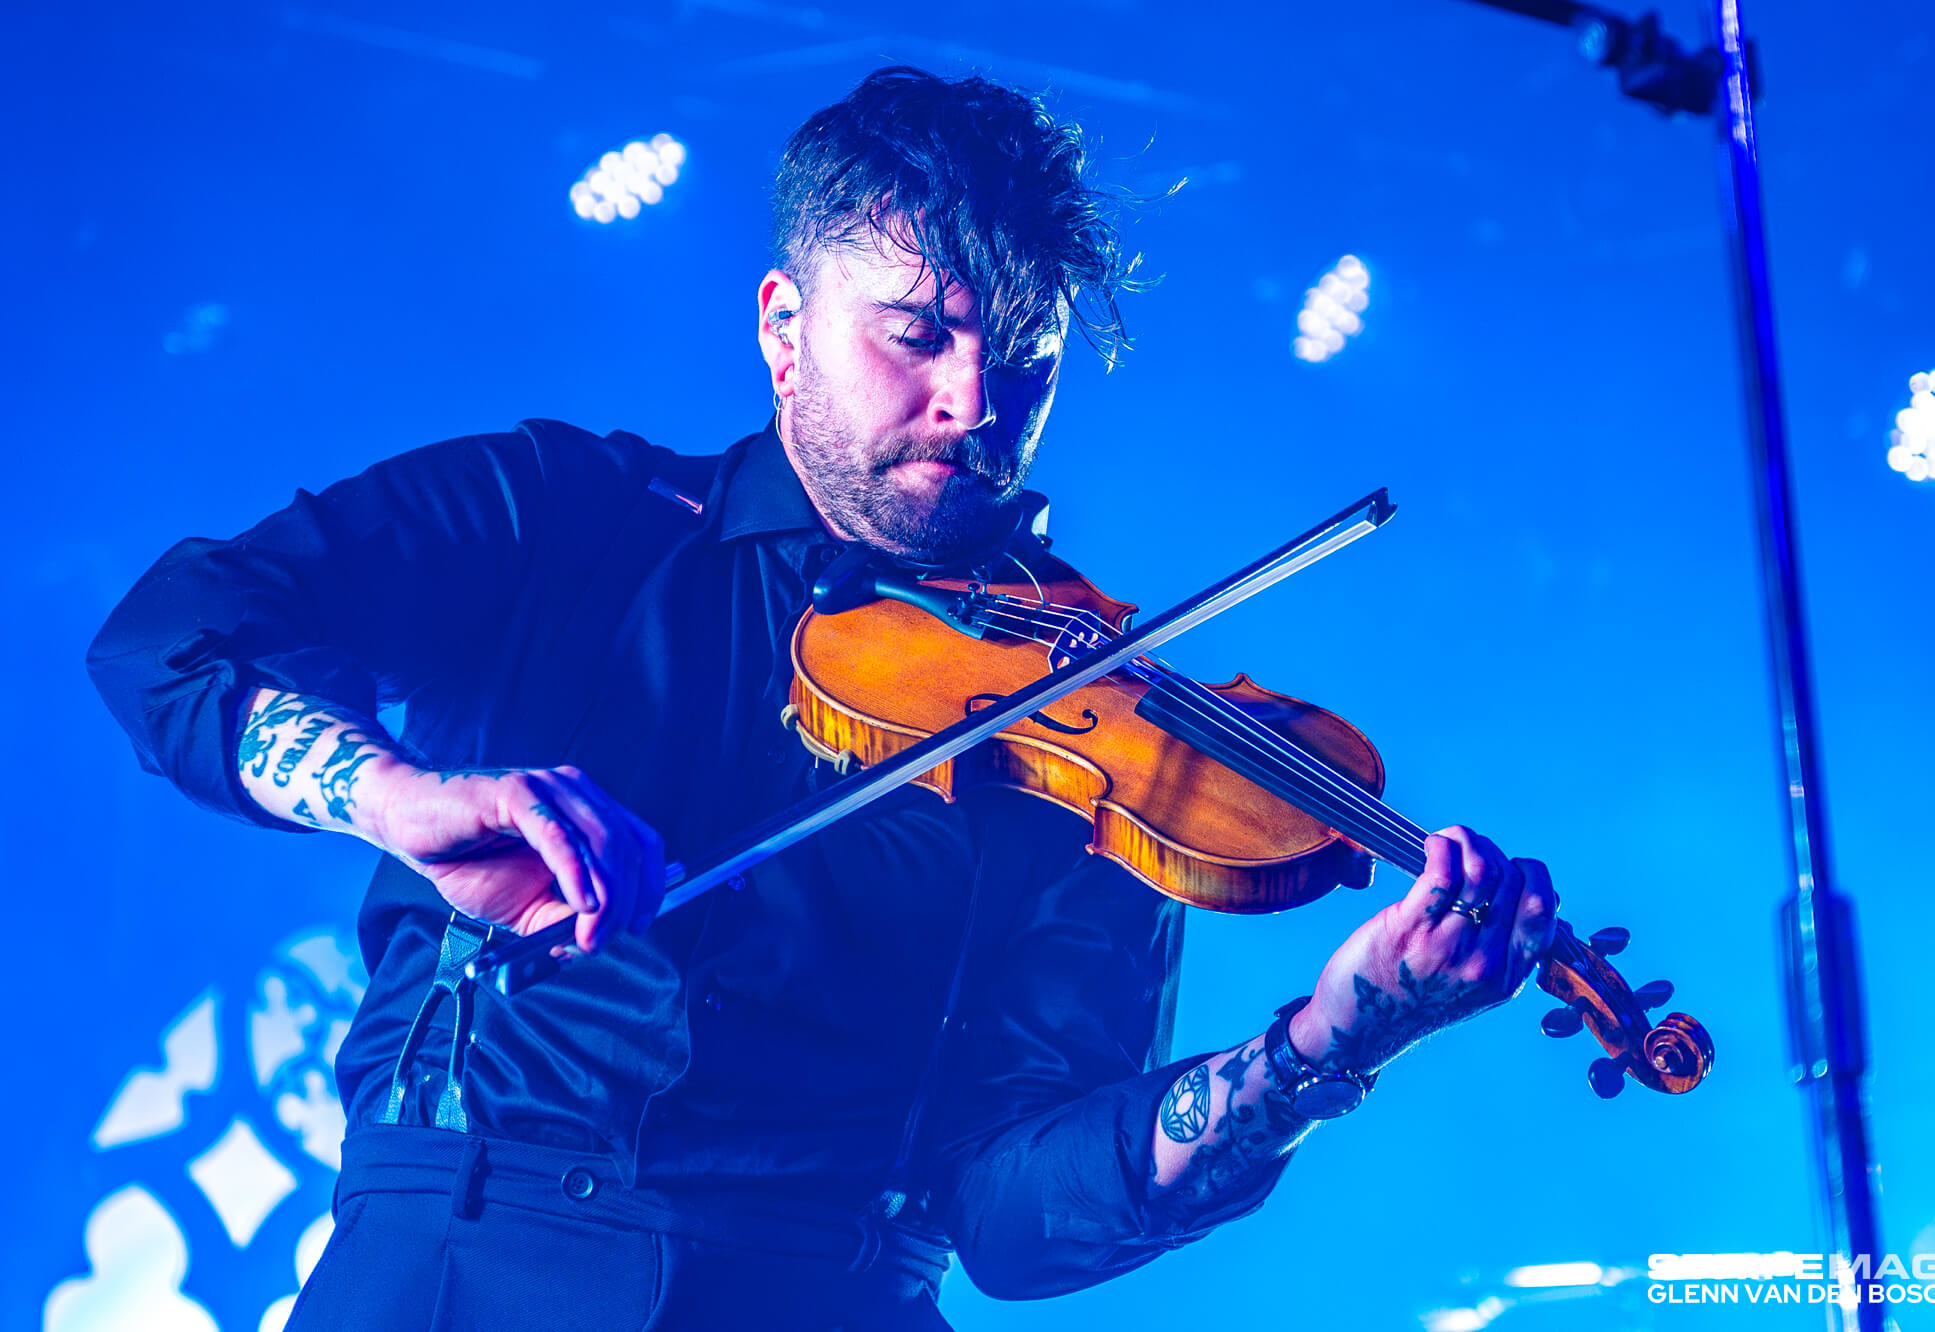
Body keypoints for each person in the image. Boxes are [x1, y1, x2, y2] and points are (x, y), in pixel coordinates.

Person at [88, 66, 1557, 1331]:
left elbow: (1017, 1213)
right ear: (783, 322)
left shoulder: (1103, 707)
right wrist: (395, 796)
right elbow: (177, 632)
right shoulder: (565, 511)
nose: (976, 404)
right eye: (916, 333)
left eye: (1026, 354)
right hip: (468, 1261)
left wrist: (1327, 1047)